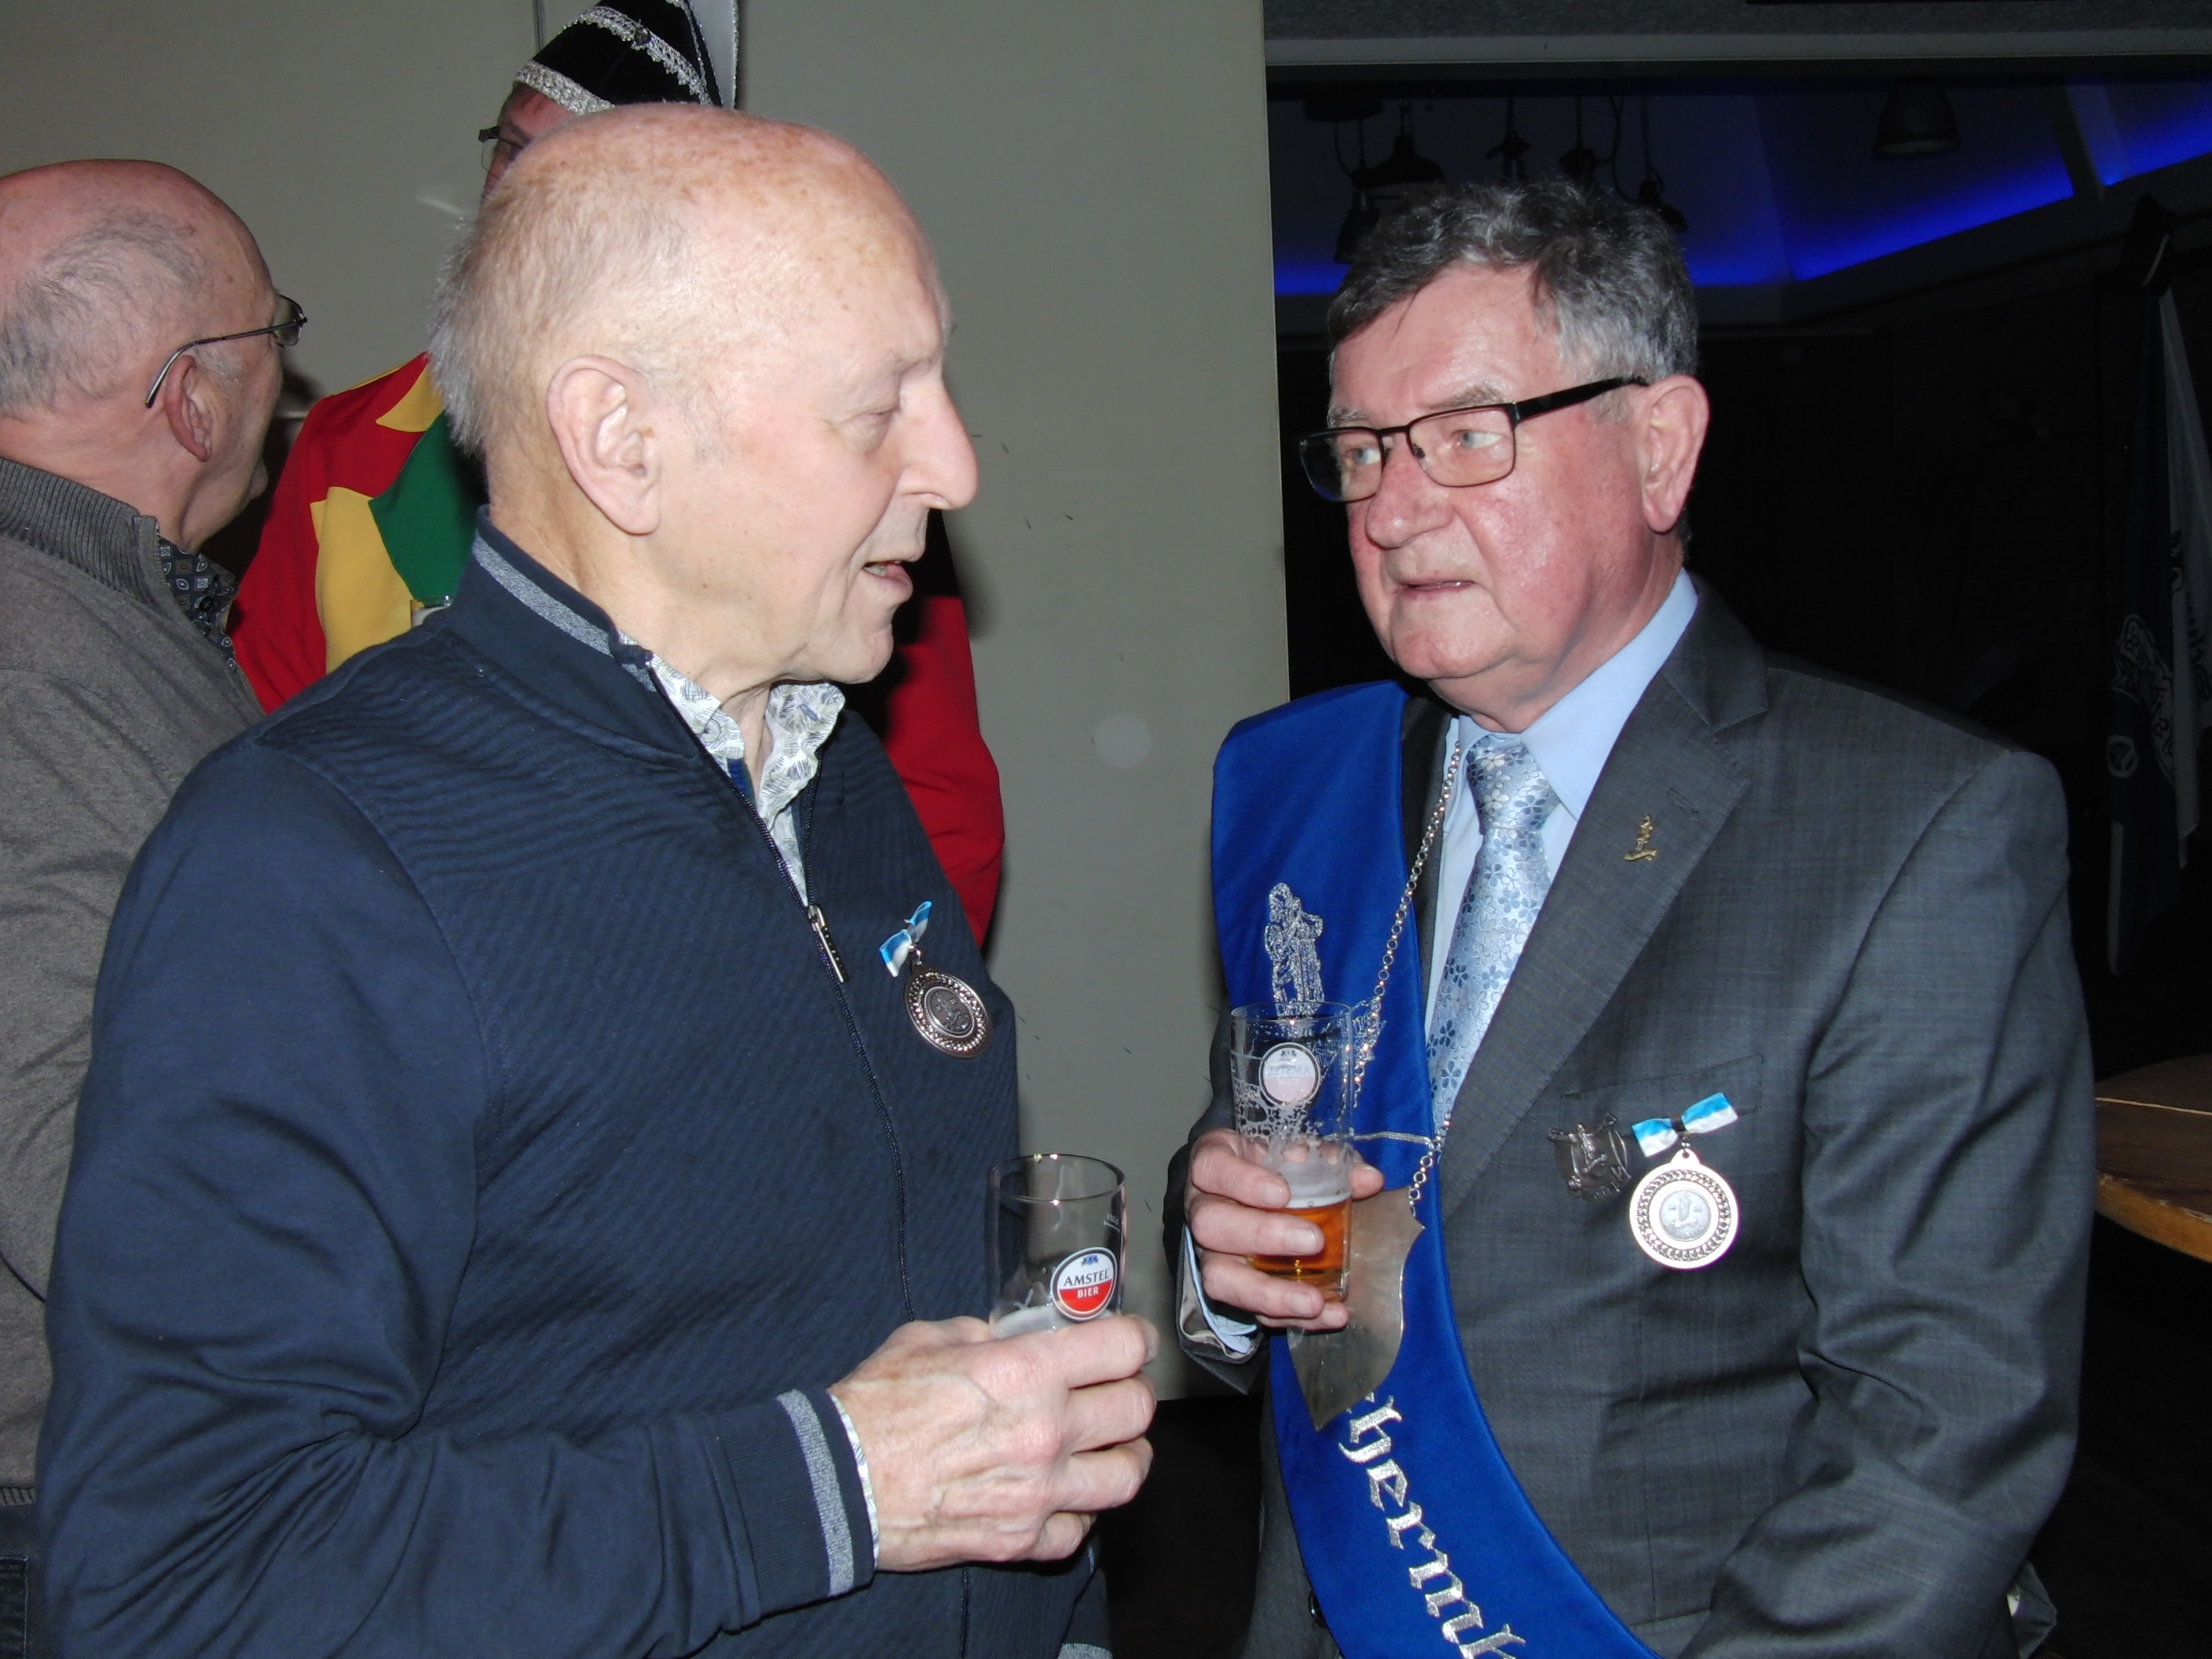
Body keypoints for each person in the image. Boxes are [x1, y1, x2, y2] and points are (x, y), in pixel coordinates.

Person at [39, 108, 1150, 1658]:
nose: (955, 462)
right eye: (876, 407)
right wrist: (833, 1482)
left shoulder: (832, 768)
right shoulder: (309, 862)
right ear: (620, 437)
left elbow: (945, 1368)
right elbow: (184, 1583)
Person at [1177, 181, 2093, 1659]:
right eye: (1361, 451)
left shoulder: (1915, 829)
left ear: (1658, 447)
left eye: (1466, 434)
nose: (1391, 511)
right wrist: (1220, 1254)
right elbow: (1269, 1149)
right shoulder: (1304, 786)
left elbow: (1938, 1431)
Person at [228, 0, 1007, 939]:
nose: (529, 198)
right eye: (515, 152)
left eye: (588, 169)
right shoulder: (347, 451)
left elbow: (931, 812)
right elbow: (274, 740)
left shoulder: (844, 476)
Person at [0, 159, 291, 1656]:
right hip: (61, 1506)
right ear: (191, 396)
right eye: (277, 337)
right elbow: (68, 1171)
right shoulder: (29, 656)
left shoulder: (105, 612)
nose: (289, 383)